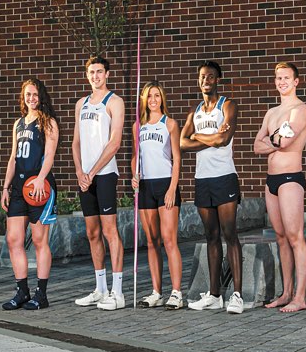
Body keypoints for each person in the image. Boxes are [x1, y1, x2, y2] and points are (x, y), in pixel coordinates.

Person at [181, 60, 244, 314]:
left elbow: (224, 139)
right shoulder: (195, 111)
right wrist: (209, 138)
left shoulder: (227, 105)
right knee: (211, 237)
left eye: (210, 76)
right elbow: (182, 143)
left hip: (224, 176)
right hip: (203, 179)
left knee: (230, 234)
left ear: (217, 80)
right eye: (202, 77)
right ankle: (215, 295)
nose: (205, 80)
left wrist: (197, 136)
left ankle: (237, 295)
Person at [254, 61, 306, 312]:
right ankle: (287, 292)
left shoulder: (301, 110)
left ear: (296, 81)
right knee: (280, 238)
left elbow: (285, 143)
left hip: (290, 178)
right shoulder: (272, 113)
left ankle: (300, 297)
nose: (282, 82)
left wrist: (272, 140)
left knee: (295, 236)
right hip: (271, 180)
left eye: (286, 78)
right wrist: (275, 139)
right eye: (278, 78)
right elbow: (256, 146)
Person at [72, 55, 128, 310]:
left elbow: (114, 143)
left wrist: (92, 172)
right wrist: (79, 172)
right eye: (91, 72)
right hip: (85, 177)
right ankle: (100, 288)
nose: (95, 76)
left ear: (107, 74)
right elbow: (76, 142)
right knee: (92, 233)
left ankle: (117, 292)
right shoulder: (81, 104)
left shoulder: (114, 102)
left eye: (99, 72)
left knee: (109, 231)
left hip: (104, 175)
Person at [0, 77, 58, 311]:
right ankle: (22, 291)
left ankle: (41, 294)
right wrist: (6, 187)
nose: (31, 98)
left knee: (38, 240)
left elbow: (50, 155)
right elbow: (13, 158)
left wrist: (41, 179)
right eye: (27, 95)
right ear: (23, 98)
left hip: (39, 187)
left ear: (41, 96)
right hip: (18, 187)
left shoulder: (48, 122)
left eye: (35, 94)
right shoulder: (18, 124)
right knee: (13, 239)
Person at [132, 81, 184, 309]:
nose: (153, 100)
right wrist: (134, 174)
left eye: (157, 95)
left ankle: (176, 293)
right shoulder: (138, 126)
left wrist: (172, 188)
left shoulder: (169, 124)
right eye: (149, 96)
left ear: (162, 98)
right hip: (145, 186)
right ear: (144, 100)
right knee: (152, 241)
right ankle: (156, 292)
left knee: (169, 240)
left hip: (165, 184)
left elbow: (177, 158)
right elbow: (136, 157)